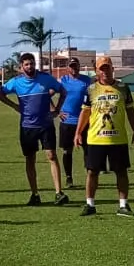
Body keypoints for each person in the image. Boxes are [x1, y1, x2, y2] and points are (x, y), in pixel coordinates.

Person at [0, 53, 69, 206]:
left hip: (46, 125)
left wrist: (57, 110)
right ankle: (35, 194)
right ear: (21, 67)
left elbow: (63, 91)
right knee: (30, 159)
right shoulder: (16, 82)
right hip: (27, 127)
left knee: (52, 156)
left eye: (32, 63)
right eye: (26, 64)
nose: (30, 67)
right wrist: (15, 106)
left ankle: (59, 192)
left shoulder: (45, 78)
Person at [75, 58, 134, 216]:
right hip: (95, 139)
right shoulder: (91, 89)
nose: (105, 71)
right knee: (92, 172)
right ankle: (90, 204)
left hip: (118, 139)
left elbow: (130, 110)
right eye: (101, 69)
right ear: (96, 71)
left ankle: (123, 205)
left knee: (121, 172)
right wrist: (78, 132)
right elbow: (85, 112)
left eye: (107, 68)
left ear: (113, 69)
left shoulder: (123, 88)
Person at [56, 57, 92, 188]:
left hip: (84, 121)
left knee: (87, 150)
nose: (74, 68)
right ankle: (69, 178)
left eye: (76, 66)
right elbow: (47, 94)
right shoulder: (63, 81)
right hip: (67, 121)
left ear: (79, 66)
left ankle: (90, 175)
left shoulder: (87, 81)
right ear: (67, 68)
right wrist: (57, 111)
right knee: (67, 151)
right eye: (71, 66)